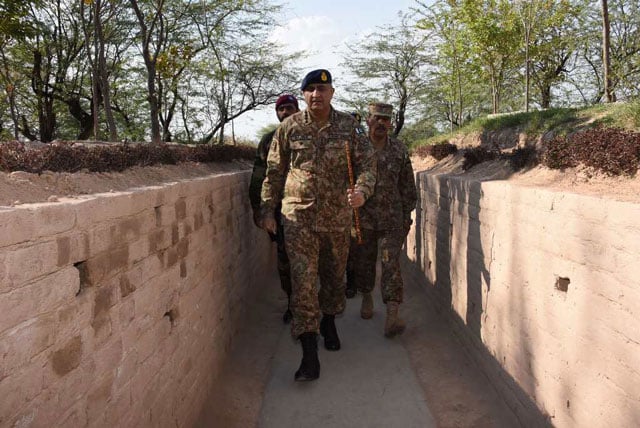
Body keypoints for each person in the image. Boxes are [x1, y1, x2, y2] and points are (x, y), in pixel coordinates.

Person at [261, 69, 376, 382]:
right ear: (303, 95)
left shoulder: (350, 128)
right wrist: (268, 210)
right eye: (310, 89)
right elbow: (274, 172)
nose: (316, 95)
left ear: (332, 93)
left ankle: (329, 320)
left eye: (322, 89)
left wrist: (362, 192)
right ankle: (309, 354)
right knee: (303, 282)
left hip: (337, 220)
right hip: (298, 219)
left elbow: (368, 166)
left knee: (334, 277)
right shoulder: (289, 128)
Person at [350, 102, 417, 338]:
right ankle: (367, 295)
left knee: (391, 264)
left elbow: (407, 185)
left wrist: (407, 216)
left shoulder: (399, 149)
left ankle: (392, 312)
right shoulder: (356, 149)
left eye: (386, 119)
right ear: (368, 120)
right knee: (364, 261)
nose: (381, 123)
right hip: (363, 218)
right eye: (377, 118)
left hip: (392, 218)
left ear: (391, 123)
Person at [249, 94, 300, 324]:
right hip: (281, 213)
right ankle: (293, 303)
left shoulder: (309, 136)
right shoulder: (268, 141)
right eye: (282, 109)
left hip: (310, 212)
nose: (286, 112)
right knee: (285, 260)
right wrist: (260, 211)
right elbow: (259, 176)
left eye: (290, 108)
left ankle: (315, 306)